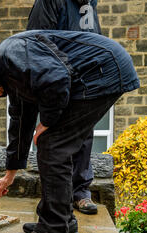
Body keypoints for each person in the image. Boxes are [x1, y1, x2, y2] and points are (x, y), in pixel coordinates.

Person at [0, 30, 139, 233]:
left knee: (52, 146)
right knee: (53, 145)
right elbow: (21, 121)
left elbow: (56, 79)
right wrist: (10, 173)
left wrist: (48, 122)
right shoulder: (9, 73)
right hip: (100, 71)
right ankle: (61, 223)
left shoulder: (9, 53)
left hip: (102, 72)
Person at [26, 0, 102, 216]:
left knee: (84, 136)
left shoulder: (90, 3)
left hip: (85, 77)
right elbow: (36, 40)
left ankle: (80, 192)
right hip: (58, 77)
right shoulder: (50, 1)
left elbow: (96, 36)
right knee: (55, 137)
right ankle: (57, 199)